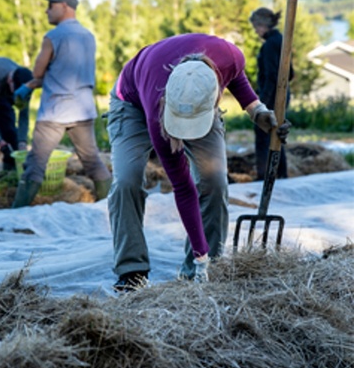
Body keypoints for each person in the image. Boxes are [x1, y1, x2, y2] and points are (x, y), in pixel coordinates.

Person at [106, 34, 290, 292]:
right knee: (127, 180)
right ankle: (132, 271)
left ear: (215, 95)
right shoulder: (157, 111)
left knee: (214, 179)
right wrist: (198, 249)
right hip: (134, 104)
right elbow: (183, 189)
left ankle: (204, 272)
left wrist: (257, 111)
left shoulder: (231, 55)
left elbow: (234, 76)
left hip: (198, 102)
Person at [12, 0, 112, 207]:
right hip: (83, 110)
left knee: (35, 165)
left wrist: (31, 83)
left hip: (55, 111)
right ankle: (110, 207)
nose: (47, 11)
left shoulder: (53, 36)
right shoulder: (88, 36)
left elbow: (38, 73)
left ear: (64, 6)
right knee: (93, 162)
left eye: (50, 5)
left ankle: (14, 215)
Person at [249, 8, 293, 180]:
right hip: (282, 95)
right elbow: (290, 73)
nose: (255, 31)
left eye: (256, 27)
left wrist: (262, 105)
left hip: (272, 97)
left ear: (262, 25)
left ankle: (264, 177)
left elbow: (271, 76)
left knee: (263, 135)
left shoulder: (269, 45)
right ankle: (281, 174)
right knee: (277, 134)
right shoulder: (282, 41)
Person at [0, 57, 33, 174]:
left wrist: (22, 142)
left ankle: (11, 170)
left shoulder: (26, 84)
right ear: (10, 81)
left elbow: (24, 116)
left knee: (10, 133)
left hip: (6, 95)